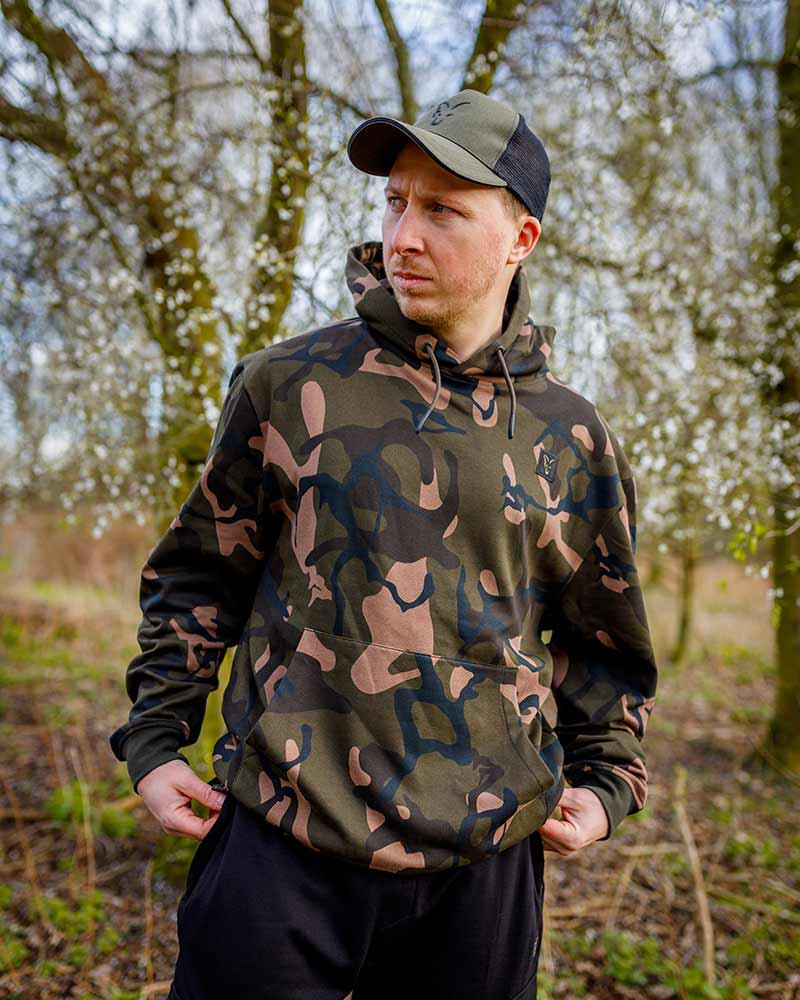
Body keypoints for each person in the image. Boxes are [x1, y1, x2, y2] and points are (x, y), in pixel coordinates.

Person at [110, 88, 658, 1000]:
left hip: (482, 869)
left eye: (443, 210)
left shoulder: (572, 436)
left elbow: (605, 638)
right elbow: (200, 575)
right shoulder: (287, 384)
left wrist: (606, 784)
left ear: (520, 239)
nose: (403, 235)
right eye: (396, 201)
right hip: (283, 841)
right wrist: (156, 742)